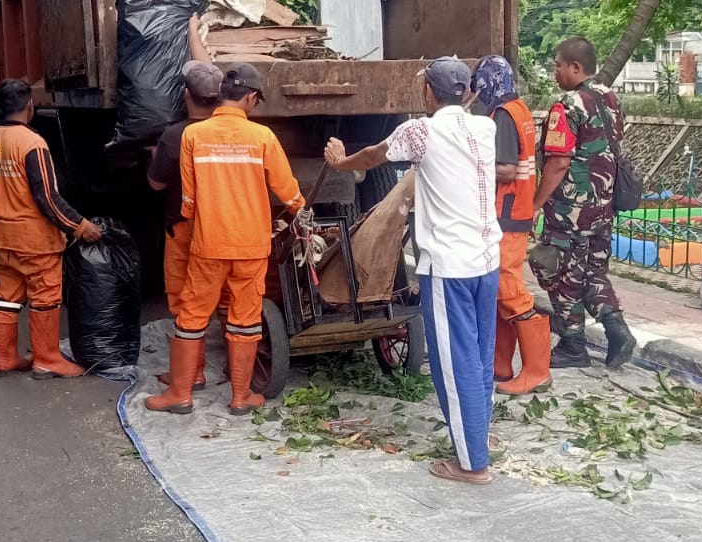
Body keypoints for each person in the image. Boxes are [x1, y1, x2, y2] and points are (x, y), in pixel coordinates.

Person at [325, 57, 500, 485]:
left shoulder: (419, 131)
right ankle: (476, 438)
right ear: (468, 92)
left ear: (427, 93)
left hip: (449, 265)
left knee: (453, 363)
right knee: (478, 356)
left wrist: (341, 162)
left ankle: (472, 464)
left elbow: (376, 155)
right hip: (486, 258)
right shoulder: (486, 128)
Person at [146, 63, 305, 417]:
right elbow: (286, 188)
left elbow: (188, 200)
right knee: (244, 317)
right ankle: (240, 396)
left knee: (192, 314)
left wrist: (197, 221)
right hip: (251, 245)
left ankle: (181, 394)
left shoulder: (192, 136)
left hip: (208, 244)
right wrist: (300, 211)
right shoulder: (263, 137)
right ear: (250, 98)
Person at [0, 78, 102, 378]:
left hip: (4, 236)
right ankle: (47, 358)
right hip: (34, 239)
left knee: (7, 295)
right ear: (29, 106)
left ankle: (7, 357)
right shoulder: (32, 143)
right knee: (46, 296)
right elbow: (47, 197)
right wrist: (79, 225)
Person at [531, 36, 636, 368]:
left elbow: (559, 162)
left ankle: (573, 345)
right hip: (604, 209)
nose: (555, 72)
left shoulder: (567, 106)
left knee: (556, 269)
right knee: (593, 271)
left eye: (558, 65)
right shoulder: (610, 99)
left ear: (575, 67)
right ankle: (617, 330)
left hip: (570, 212)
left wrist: (535, 204)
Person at [471, 55, 551, 396]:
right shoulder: (519, 109)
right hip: (516, 210)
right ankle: (500, 365)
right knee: (499, 290)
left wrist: (471, 164)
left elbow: (504, 169)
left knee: (508, 289)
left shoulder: (502, 116)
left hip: (507, 211)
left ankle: (537, 371)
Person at [147, 56, 223, 383]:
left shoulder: (174, 136)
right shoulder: (238, 133)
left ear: (186, 95)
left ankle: (192, 374)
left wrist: (156, 158)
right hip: (224, 228)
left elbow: (156, 183)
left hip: (184, 227)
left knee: (184, 300)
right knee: (230, 299)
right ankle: (243, 375)